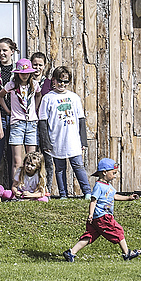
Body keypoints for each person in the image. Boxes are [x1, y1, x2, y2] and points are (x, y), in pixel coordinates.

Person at [63, 158, 141, 262]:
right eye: (113, 173)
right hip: (103, 217)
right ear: (104, 172)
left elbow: (115, 196)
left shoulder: (108, 186)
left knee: (90, 235)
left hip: (98, 218)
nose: (115, 176)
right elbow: (93, 200)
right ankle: (126, 253)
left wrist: (128, 198)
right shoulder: (99, 186)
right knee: (118, 231)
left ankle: (71, 253)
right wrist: (90, 214)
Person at [38, 66, 91, 199]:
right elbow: (43, 121)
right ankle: (63, 194)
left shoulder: (74, 98)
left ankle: (87, 192)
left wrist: (83, 140)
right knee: (60, 168)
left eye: (65, 82)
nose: (62, 84)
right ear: (54, 81)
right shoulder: (47, 98)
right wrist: (46, 142)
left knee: (78, 165)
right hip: (56, 139)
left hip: (73, 139)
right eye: (59, 81)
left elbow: (81, 119)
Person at [0, 58, 41, 182]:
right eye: (22, 73)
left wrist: (35, 109)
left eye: (27, 73)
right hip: (17, 124)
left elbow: (38, 95)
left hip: (31, 123)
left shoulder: (35, 84)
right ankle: (16, 187)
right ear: (17, 73)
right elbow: (0, 96)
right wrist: (7, 110)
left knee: (32, 159)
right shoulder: (11, 85)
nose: (25, 75)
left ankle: (31, 186)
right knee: (17, 160)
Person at [0, 37, 18, 186]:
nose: (1, 53)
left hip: (15, 116)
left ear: (12, 51)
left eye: (5, 50)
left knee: (13, 155)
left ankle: (11, 186)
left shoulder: (18, 70)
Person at [30, 51, 54, 191]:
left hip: (45, 124)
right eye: (35, 64)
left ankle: (47, 188)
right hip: (30, 122)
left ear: (44, 66)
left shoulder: (49, 83)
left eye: (40, 65)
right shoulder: (26, 81)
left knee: (47, 157)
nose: (37, 67)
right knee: (32, 157)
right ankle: (32, 187)